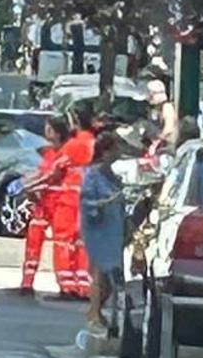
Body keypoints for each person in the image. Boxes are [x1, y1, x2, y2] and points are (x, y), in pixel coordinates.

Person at [19, 116, 73, 296]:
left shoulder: (66, 153)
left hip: (60, 205)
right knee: (33, 242)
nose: (46, 133)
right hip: (43, 203)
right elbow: (42, 174)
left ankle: (66, 286)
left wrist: (29, 186)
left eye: (49, 129)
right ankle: (27, 282)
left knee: (62, 245)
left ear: (57, 133)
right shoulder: (50, 153)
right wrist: (28, 184)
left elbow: (51, 177)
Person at [80, 133, 126, 331]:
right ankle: (94, 312)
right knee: (100, 272)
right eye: (114, 149)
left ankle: (96, 309)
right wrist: (102, 204)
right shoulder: (93, 174)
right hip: (97, 229)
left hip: (114, 228)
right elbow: (86, 201)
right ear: (105, 151)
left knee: (110, 274)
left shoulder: (114, 176)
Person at [50, 109, 95, 299]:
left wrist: (29, 186)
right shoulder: (95, 143)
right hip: (90, 199)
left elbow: (53, 170)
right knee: (82, 242)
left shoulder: (74, 145)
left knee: (62, 241)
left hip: (69, 198)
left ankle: (67, 285)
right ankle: (83, 285)